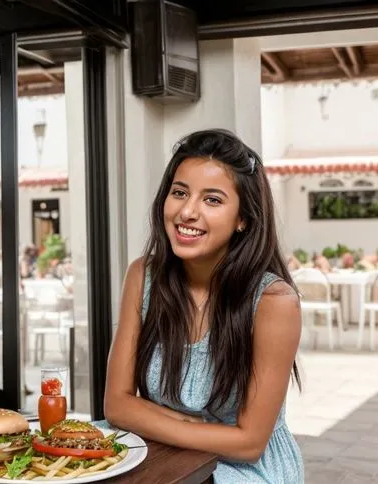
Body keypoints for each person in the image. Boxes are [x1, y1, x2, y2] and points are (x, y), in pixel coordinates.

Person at [103, 129, 304, 482]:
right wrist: (182, 422)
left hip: (240, 469)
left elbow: (249, 443)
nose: (187, 212)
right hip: (157, 451)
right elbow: (116, 405)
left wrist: (148, 415)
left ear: (243, 218)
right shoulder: (143, 276)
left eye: (212, 200)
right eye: (180, 193)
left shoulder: (274, 302)